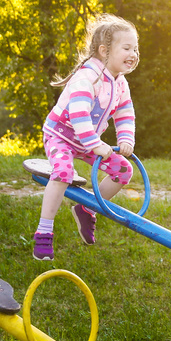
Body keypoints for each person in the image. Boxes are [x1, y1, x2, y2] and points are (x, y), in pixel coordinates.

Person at [33, 14, 139, 261]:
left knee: (123, 171)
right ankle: (44, 232)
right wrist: (95, 144)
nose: (133, 53)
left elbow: (125, 113)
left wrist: (126, 139)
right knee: (63, 172)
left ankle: (87, 208)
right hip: (61, 136)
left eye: (135, 48)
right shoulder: (87, 77)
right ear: (104, 50)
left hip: (88, 141)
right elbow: (79, 115)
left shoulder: (120, 82)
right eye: (126, 48)